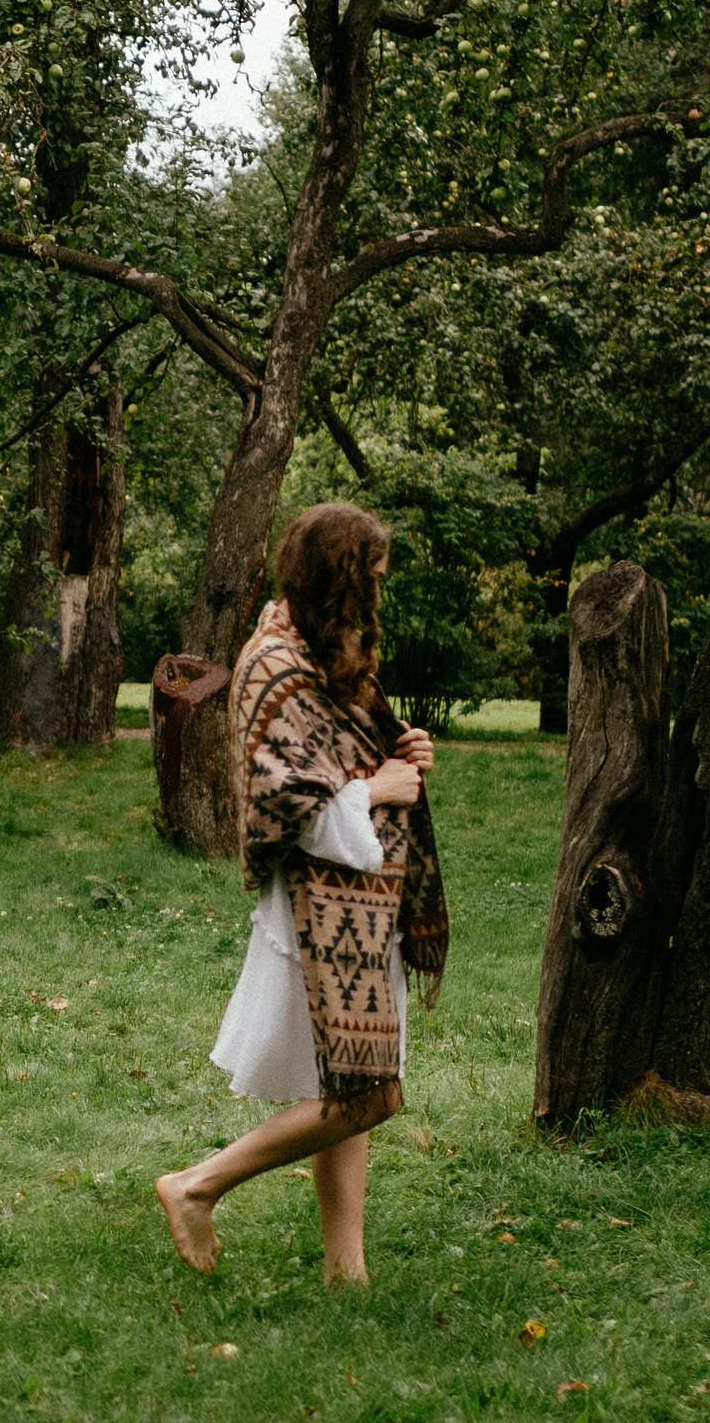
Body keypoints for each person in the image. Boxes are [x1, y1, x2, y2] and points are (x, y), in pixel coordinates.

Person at [155, 502, 449, 1284]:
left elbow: (346, 752)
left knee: (347, 1083)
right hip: (320, 903)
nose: (378, 594)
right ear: (339, 575)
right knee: (371, 1093)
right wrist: (379, 787)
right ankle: (196, 1186)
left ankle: (345, 1268)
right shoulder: (274, 662)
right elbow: (282, 800)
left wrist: (402, 750)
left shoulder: (328, 648)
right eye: (371, 578)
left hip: (365, 898)